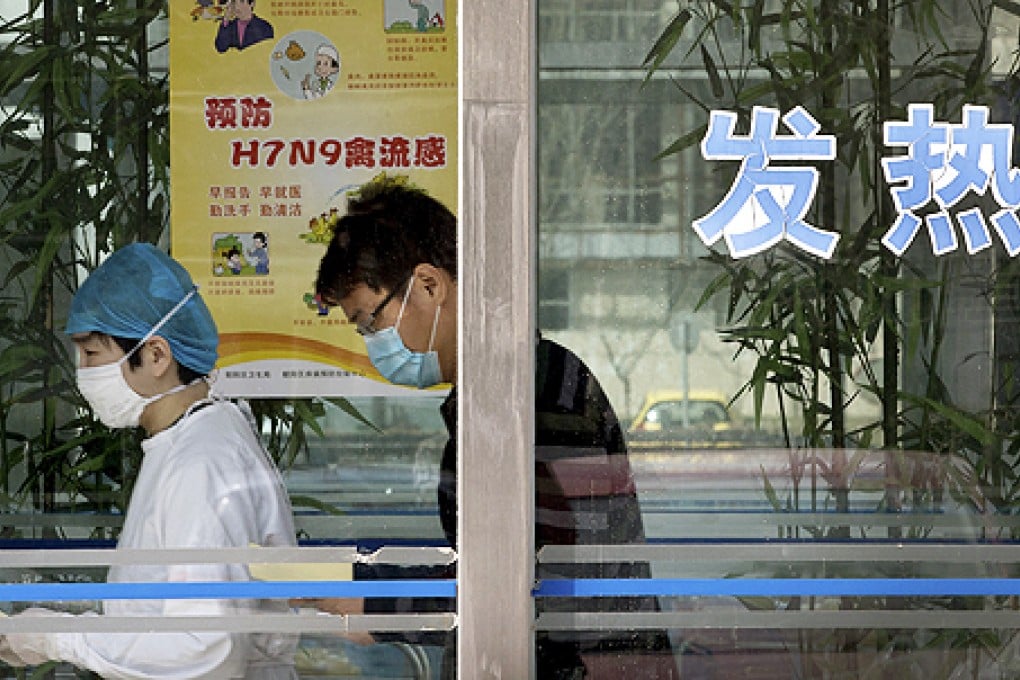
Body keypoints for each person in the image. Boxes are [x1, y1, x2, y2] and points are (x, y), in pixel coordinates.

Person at [313, 175, 677, 678]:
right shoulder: (511, 385)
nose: (372, 344)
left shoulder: (530, 399)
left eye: (370, 323)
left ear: (429, 285)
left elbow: (524, 583)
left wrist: (376, 601)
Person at [0, 243, 298, 679]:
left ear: (157, 355)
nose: (83, 372)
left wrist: (56, 637)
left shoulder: (201, 463)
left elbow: (205, 649)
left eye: (92, 355)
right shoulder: (192, 438)